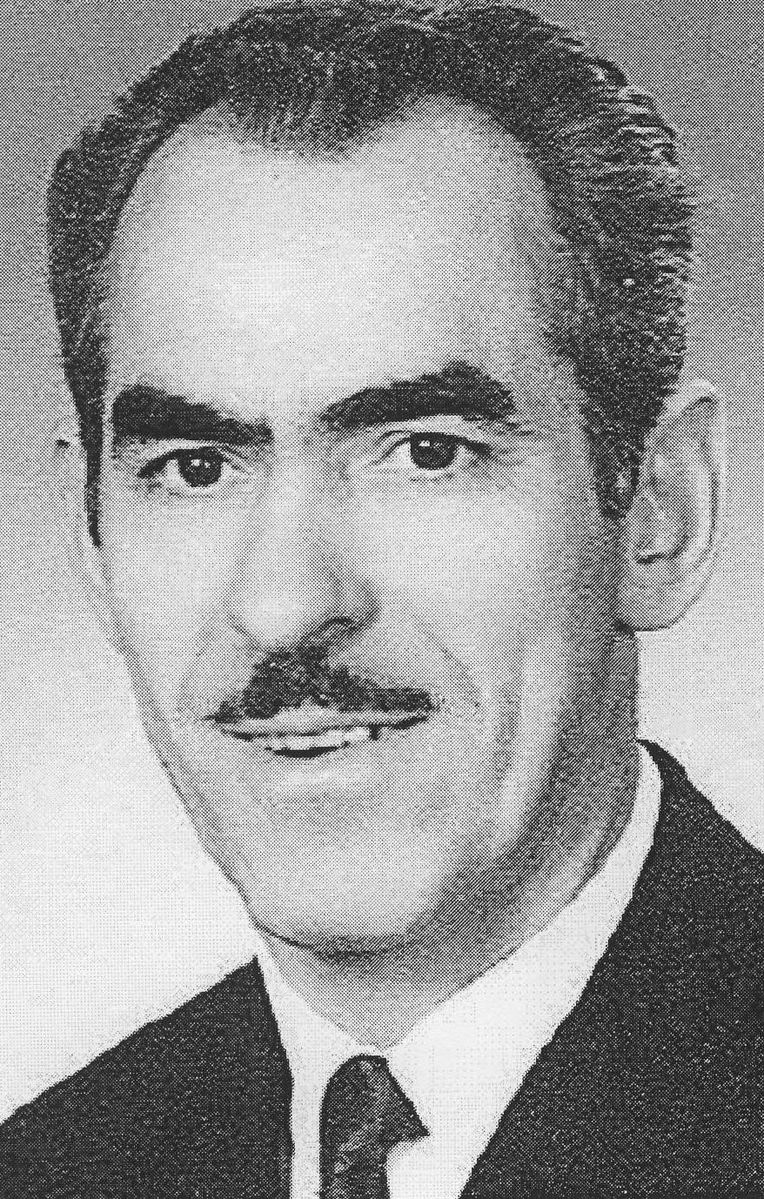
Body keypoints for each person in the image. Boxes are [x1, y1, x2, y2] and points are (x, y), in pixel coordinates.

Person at [2, 2, 761, 1195]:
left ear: (659, 512)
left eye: (425, 451)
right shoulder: (55, 1164)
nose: (284, 602)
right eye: (194, 466)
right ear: (91, 538)